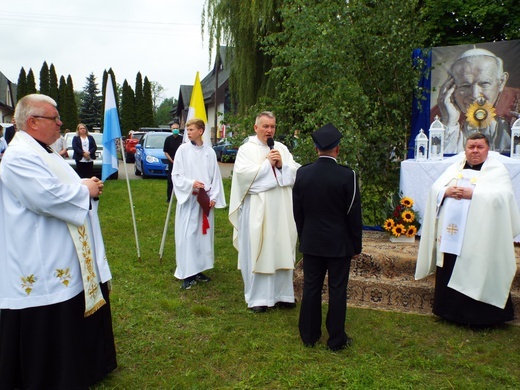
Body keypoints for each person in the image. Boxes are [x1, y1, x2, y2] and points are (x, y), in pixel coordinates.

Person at [0, 94, 116, 388]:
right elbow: (45, 197)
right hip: (39, 253)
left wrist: (83, 185)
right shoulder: (18, 156)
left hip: (61, 247)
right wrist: (84, 191)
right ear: (33, 121)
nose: (60, 123)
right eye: (55, 118)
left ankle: (85, 366)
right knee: (50, 315)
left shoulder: (45, 151)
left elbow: (57, 185)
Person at [415, 133, 520, 326]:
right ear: (465, 149)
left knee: (477, 265)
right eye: (471, 147)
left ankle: (480, 316)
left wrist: (475, 194)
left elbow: (504, 198)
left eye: (479, 147)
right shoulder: (455, 167)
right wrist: (446, 192)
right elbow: (435, 189)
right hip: (451, 236)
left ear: (488, 150)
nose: (475, 151)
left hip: (480, 236)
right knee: (451, 265)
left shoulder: (497, 171)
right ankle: (449, 312)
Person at [292, 123, 362, 351]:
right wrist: (355, 245)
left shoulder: (303, 173)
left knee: (311, 287)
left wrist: (304, 236)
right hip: (339, 244)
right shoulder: (347, 176)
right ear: (338, 149)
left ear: (315, 149)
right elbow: (354, 214)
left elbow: (298, 212)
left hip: (312, 241)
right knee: (337, 290)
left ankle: (309, 336)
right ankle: (336, 339)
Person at [229, 111, 300, 313]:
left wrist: (281, 165)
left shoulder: (282, 149)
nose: (269, 130)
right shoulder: (246, 150)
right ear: (256, 127)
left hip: (281, 210)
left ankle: (283, 294)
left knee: (281, 247)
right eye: (265, 126)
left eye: (273, 126)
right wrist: (267, 165)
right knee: (261, 248)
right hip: (258, 210)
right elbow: (243, 178)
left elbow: (295, 172)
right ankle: (259, 298)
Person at [433, 48, 520, 154]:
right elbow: (439, 161)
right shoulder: (440, 112)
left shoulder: (516, 106)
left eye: (484, 84)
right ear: (452, 85)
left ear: (501, 82)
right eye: (465, 86)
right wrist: (449, 122)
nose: (474, 95)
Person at [172, 118, 226, 289]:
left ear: (201, 131)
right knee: (188, 236)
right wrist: (191, 184)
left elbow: (215, 177)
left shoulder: (209, 152)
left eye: (191, 129)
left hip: (204, 201)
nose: (188, 133)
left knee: (202, 238)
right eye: (187, 130)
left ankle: (199, 269)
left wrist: (214, 197)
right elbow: (177, 175)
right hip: (189, 200)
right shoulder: (183, 150)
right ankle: (187, 272)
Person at [164, 122, 183, 202]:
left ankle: (181, 197)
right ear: (171, 129)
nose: (175, 130)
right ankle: (169, 198)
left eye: (177, 128)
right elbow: (165, 151)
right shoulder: (168, 139)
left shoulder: (182, 139)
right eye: (174, 128)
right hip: (171, 162)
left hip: (181, 163)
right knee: (170, 181)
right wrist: (171, 160)